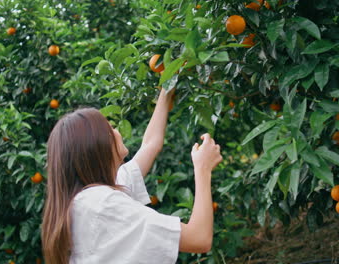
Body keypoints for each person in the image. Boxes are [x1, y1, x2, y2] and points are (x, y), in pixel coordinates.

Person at [41, 88, 223, 264]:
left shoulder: (92, 197)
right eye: (110, 127)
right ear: (97, 145)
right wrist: (203, 169)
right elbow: (199, 238)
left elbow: (151, 144)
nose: (116, 130)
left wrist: (167, 88)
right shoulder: (102, 203)